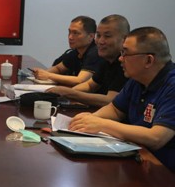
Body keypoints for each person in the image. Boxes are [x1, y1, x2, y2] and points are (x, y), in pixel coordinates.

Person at [69, 27, 175, 171]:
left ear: (148, 60)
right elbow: (115, 109)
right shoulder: (137, 79)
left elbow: (156, 138)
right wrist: (88, 120)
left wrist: (101, 124)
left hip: (165, 172)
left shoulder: (171, 85)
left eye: (125, 53)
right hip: (139, 159)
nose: (120, 58)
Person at [47, 15, 130, 107]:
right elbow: (90, 85)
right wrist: (64, 93)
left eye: (107, 36)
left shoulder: (126, 63)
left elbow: (111, 100)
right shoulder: (106, 59)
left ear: (124, 39)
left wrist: (71, 94)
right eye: (98, 35)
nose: (100, 41)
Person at [32, 16, 103, 87]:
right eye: (69, 32)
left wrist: (48, 75)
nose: (70, 37)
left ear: (91, 36)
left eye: (75, 33)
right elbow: (58, 68)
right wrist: (41, 73)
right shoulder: (76, 52)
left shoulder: (95, 52)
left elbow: (80, 80)